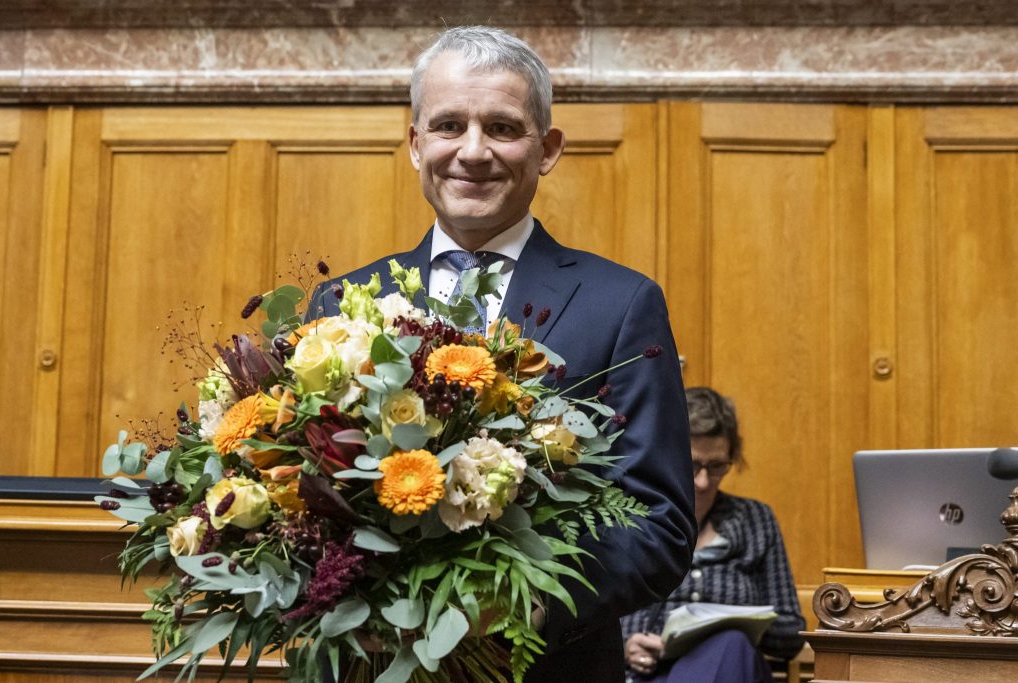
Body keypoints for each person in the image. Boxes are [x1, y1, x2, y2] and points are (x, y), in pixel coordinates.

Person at [307, 25, 696, 683]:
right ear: (415, 143)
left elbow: (659, 524)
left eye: (502, 128)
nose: (473, 151)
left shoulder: (622, 304)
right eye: (449, 125)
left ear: (547, 149)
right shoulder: (341, 304)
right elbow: (303, 490)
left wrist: (524, 605)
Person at [620, 387, 805, 683]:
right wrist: (625, 646)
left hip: (735, 669)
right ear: (669, 457)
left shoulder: (756, 520)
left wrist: (734, 623)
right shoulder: (632, 516)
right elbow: (591, 619)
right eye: (692, 465)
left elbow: (791, 635)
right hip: (647, 673)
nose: (704, 481)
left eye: (717, 466)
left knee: (730, 645)